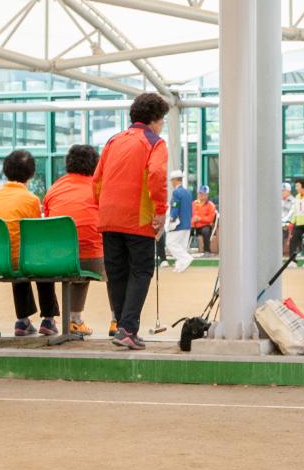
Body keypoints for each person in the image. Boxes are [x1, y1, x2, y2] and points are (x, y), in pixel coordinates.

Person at [94, 92, 169, 350]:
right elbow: (157, 175)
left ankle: (120, 324)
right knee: (142, 270)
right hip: (137, 218)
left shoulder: (113, 141)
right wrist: (160, 210)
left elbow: (97, 180)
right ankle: (127, 329)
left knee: (117, 273)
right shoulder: (155, 142)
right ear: (155, 120)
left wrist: (103, 207)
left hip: (109, 216)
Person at [0, 149, 60, 337]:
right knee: (38, 261)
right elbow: (35, 234)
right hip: (19, 261)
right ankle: (49, 319)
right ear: (31, 174)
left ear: (6, 171)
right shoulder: (31, 199)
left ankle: (23, 321)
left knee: (15, 255)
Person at [43, 144, 104, 337]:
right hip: (92, 260)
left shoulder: (54, 189)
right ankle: (116, 320)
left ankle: (75, 319)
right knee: (110, 259)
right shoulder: (98, 187)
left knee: (76, 254)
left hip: (57, 260)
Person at [165, 169, 195, 273]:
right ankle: (179, 266)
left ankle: (186, 258)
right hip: (187, 223)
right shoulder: (188, 192)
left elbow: (175, 207)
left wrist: (172, 219)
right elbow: (191, 209)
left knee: (170, 242)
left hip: (179, 225)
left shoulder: (176, 192)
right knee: (181, 246)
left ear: (174, 180)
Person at [191, 185, 217, 255]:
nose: (201, 195)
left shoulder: (211, 205)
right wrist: (192, 220)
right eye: (200, 193)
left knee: (206, 231)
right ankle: (182, 250)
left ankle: (207, 251)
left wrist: (200, 219)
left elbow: (210, 219)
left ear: (207, 195)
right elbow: (189, 214)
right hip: (193, 226)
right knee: (186, 230)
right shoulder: (194, 203)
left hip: (204, 226)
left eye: (203, 193)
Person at [280, 182, 295, 253]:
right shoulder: (279, 200)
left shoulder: (293, 201)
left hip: (288, 223)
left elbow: (291, 213)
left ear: (288, 191)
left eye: (283, 191)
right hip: (280, 223)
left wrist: (283, 221)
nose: (282, 192)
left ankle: (285, 251)